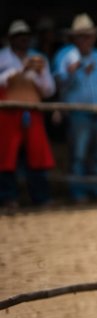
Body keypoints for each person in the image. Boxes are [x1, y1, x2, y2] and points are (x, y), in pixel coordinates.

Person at [53, 14, 97, 203]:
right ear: (74, 38)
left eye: (88, 35)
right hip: (78, 112)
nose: (86, 39)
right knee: (78, 155)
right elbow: (57, 84)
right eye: (81, 36)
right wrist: (72, 72)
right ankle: (78, 193)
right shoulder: (65, 56)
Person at [0, 20, 56, 208]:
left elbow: (49, 90)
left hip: (32, 113)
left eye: (26, 37)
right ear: (11, 39)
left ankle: (40, 197)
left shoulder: (39, 60)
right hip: (7, 115)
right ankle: (8, 197)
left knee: (36, 155)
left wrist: (38, 75)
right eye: (19, 37)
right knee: (7, 156)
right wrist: (18, 72)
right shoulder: (2, 58)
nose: (23, 40)